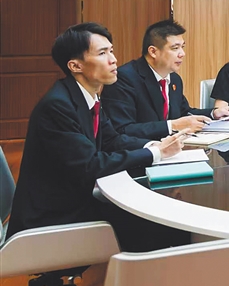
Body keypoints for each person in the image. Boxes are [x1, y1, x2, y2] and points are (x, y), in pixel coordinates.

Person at [7, 23, 188, 251]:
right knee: (161, 225)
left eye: (111, 51)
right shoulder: (57, 106)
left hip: (76, 199)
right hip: (53, 215)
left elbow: (112, 140)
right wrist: (155, 154)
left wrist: (156, 145)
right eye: (102, 53)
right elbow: (91, 165)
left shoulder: (88, 96)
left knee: (163, 219)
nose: (113, 59)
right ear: (75, 65)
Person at [102, 19, 229, 140]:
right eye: (175, 48)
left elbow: (184, 112)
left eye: (182, 47)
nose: (182, 54)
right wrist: (172, 126)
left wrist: (214, 113)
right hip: (142, 152)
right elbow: (123, 129)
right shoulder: (124, 78)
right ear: (153, 52)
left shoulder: (174, 79)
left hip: (172, 148)